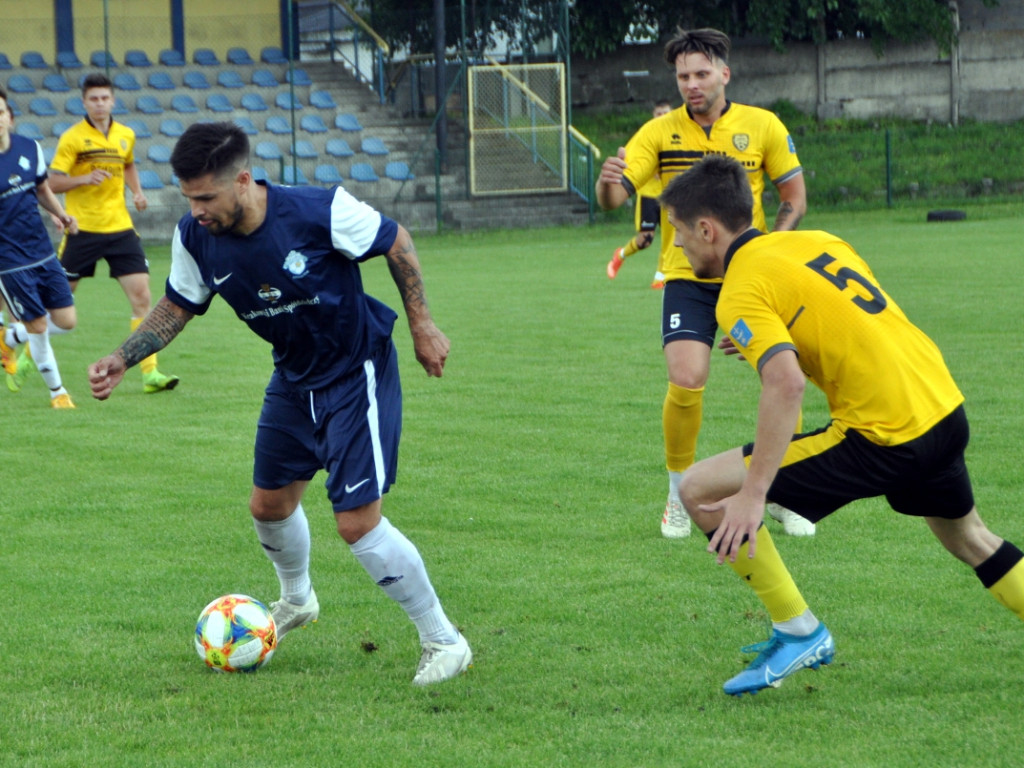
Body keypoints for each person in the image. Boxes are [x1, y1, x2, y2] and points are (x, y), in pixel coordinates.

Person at [87, 122, 472, 686]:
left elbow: (396, 241)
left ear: (243, 180)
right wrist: (125, 356)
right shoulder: (195, 236)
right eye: (188, 197)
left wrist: (422, 324)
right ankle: (298, 601)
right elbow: (178, 304)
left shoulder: (320, 211)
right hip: (293, 378)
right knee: (268, 506)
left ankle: (443, 640)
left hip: (354, 369)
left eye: (205, 197)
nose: (195, 209)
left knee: (357, 524)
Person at [661, 154, 1024, 695]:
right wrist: (781, 336)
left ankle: (798, 631)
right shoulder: (820, 241)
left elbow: (785, 384)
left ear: (708, 228)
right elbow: (844, 317)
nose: (680, 248)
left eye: (680, 233)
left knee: (700, 491)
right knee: (971, 539)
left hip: (883, 435)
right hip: (941, 407)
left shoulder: (739, 288)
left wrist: (755, 493)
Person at [595, 28, 813, 540]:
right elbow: (615, 200)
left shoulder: (762, 126)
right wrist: (608, 182)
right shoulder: (659, 133)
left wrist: (770, 252)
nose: (691, 84)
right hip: (687, 275)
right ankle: (678, 492)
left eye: (701, 74)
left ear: (724, 74)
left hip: (752, 274)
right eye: (682, 76)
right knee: (687, 377)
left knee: (782, 377)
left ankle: (788, 491)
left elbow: (794, 198)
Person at [48, 72, 178, 394]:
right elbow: (51, 182)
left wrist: (136, 191)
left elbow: (129, 164)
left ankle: (150, 374)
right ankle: (22, 354)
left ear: (113, 101)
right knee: (58, 303)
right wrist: (83, 179)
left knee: (142, 298)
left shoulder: (125, 134)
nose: (100, 104)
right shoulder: (73, 138)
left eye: (105, 98)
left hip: (120, 228)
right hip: (83, 229)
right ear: (84, 102)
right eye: (93, 99)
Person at [0, 87, 79, 408]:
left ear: (10, 118)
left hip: (42, 251)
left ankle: (8, 338)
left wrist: (61, 214)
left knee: (67, 320)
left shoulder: (29, 148)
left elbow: (43, 188)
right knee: (39, 325)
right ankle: (57, 393)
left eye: (0, 111)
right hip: (9, 261)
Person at [606, 99, 673, 290]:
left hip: (670, 195)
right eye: (659, 113)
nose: (662, 117)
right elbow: (634, 161)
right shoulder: (648, 135)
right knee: (645, 239)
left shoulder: (678, 135)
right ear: (653, 115)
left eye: (666, 113)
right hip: (649, 195)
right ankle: (620, 255)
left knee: (672, 238)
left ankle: (660, 278)